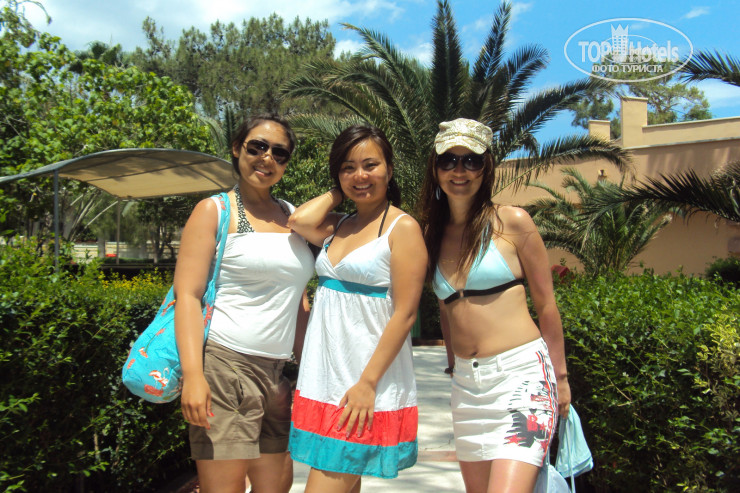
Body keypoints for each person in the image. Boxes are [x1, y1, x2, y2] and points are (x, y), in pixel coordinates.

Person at [417, 118, 571, 493]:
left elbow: (547, 306)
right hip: (467, 390)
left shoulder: (513, 222)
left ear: (486, 168)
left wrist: (561, 379)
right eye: (449, 160)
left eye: (471, 160)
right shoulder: (429, 235)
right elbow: (446, 307)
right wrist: (454, 365)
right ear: (435, 168)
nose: (459, 171)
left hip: (522, 378)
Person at [173, 114, 315, 493]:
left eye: (280, 153)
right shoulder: (215, 211)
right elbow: (187, 296)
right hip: (225, 369)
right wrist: (194, 377)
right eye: (257, 147)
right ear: (237, 149)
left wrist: (308, 370)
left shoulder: (291, 215)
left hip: (277, 375)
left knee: (277, 486)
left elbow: (297, 299)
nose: (267, 158)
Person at [287, 125, 427, 492]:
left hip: (364, 382)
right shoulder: (339, 225)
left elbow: (405, 314)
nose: (360, 175)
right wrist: (341, 189)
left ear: (389, 170)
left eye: (370, 165)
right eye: (348, 167)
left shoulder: (402, 228)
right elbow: (299, 221)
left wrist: (367, 383)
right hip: (326, 379)